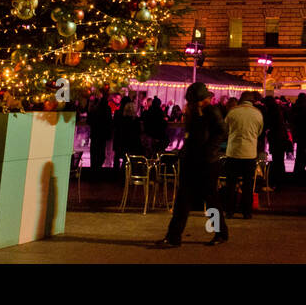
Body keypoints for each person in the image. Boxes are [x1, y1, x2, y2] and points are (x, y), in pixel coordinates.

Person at [159, 82, 229, 247]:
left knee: (210, 199)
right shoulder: (194, 113)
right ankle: (173, 236)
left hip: (207, 162)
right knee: (183, 199)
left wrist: (208, 150)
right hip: (193, 160)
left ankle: (220, 233)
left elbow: (221, 131)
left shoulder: (211, 111)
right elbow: (192, 136)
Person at [223, 91, 264, 218]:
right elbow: (259, 131)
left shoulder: (232, 112)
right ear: (252, 101)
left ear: (241, 100)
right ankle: (246, 211)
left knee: (231, 183)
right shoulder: (257, 114)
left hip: (233, 152)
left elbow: (226, 129)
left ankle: (229, 210)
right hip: (249, 153)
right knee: (248, 184)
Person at [263, 94, 287, 188]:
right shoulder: (278, 110)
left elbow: (269, 125)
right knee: (279, 161)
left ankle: (277, 182)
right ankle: (280, 182)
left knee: (277, 161)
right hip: (281, 139)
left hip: (276, 139)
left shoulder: (271, 111)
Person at [112, 99, 142, 170]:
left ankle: (115, 174)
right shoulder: (136, 120)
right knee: (128, 159)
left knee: (117, 158)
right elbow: (138, 132)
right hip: (132, 143)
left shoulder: (121, 119)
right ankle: (126, 173)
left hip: (121, 142)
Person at [291, 93, 306, 179]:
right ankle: (300, 168)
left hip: (296, 133)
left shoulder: (295, 107)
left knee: (299, 152)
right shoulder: (303, 108)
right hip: (303, 133)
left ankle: (298, 170)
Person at [87, 91, 113, 170]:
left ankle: (93, 167)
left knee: (94, 151)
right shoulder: (107, 109)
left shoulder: (94, 109)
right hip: (103, 135)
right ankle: (98, 167)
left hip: (95, 134)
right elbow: (109, 122)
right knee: (101, 152)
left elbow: (89, 121)